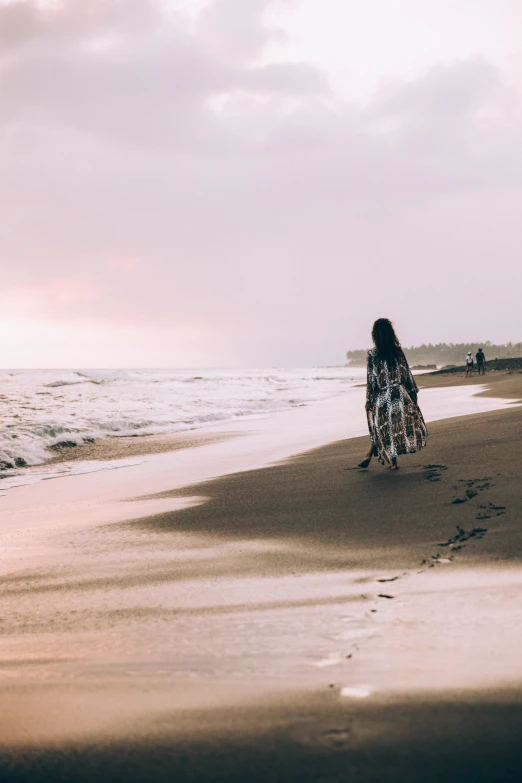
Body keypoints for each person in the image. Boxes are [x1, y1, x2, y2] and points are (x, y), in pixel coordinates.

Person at [358, 318, 428, 471]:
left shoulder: (372, 355)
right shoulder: (397, 352)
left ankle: (386, 459)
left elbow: (371, 380)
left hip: (383, 397)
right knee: (394, 427)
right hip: (399, 394)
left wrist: (368, 400)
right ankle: (376, 456)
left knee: (384, 427)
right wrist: (413, 394)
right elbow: (407, 374)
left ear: (375, 335)